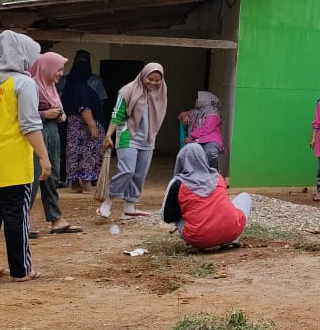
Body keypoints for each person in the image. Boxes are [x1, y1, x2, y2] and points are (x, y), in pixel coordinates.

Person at [0, 30, 51, 281]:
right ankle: (21, 270)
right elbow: (30, 125)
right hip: (11, 161)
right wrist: (44, 158)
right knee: (16, 214)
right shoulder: (23, 83)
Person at [100, 63, 167, 219]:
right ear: (143, 75)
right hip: (127, 135)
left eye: (158, 80)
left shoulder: (161, 92)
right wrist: (108, 135)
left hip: (148, 139)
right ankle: (108, 201)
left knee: (139, 174)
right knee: (127, 170)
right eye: (150, 79)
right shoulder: (128, 90)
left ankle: (129, 207)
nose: (154, 83)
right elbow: (117, 114)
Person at [159, 143, 252, 251]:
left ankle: (195, 244)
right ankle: (231, 239)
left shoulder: (177, 183)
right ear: (204, 158)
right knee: (245, 197)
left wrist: (184, 208)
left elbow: (167, 216)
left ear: (180, 160)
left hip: (198, 237)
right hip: (231, 231)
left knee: (181, 210)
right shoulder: (217, 176)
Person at [27, 51, 81, 236]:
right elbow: (22, 114)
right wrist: (44, 114)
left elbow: (56, 107)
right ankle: (22, 221)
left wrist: (61, 115)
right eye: (58, 69)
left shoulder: (50, 86)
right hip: (36, 132)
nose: (59, 73)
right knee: (34, 176)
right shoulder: (31, 86)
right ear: (46, 67)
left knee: (53, 176)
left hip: (52, 132)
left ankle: (56, 219)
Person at [61, 56, 105, 195]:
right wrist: (92, 127)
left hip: (72, 126)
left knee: (74, 153)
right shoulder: (82, 88)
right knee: (87, 154)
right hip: (84, 127)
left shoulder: (69, 86)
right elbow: (84, 108)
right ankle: (87, 185)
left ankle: (75, 182)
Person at [179, 90, 225, 170]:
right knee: (191, 154)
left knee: (210, 153)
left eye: (198, 98)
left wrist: (192, 136)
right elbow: (181, 115)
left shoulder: (213, 113)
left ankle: (213, 174)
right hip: (197, 140)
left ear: (205, 99)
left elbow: (207, 129)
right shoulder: (196, 111)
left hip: (211, 140)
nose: (196, 100)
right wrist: (185, 115)